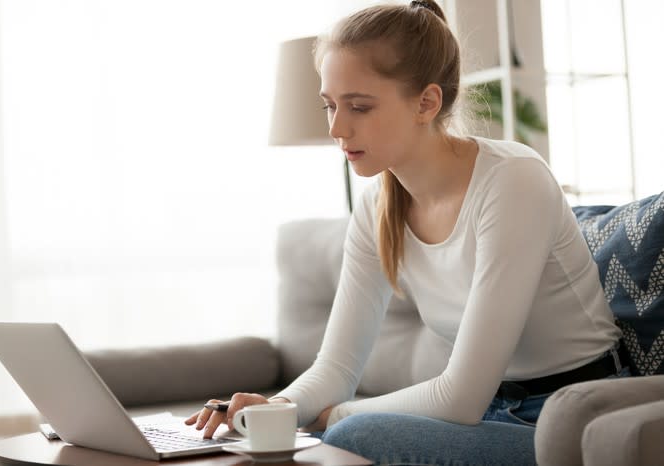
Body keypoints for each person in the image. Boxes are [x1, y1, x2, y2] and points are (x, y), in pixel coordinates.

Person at [185, 1, 629, 464]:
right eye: (330, 105)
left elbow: (460, 397)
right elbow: (336, 367)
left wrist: (329, 417)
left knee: (356, 435)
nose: (337, 128)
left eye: (359, 106)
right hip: (493, 415)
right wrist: (275, 409)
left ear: (426, 102)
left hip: (574, 419)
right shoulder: (377, 206)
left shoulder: (512, 179)